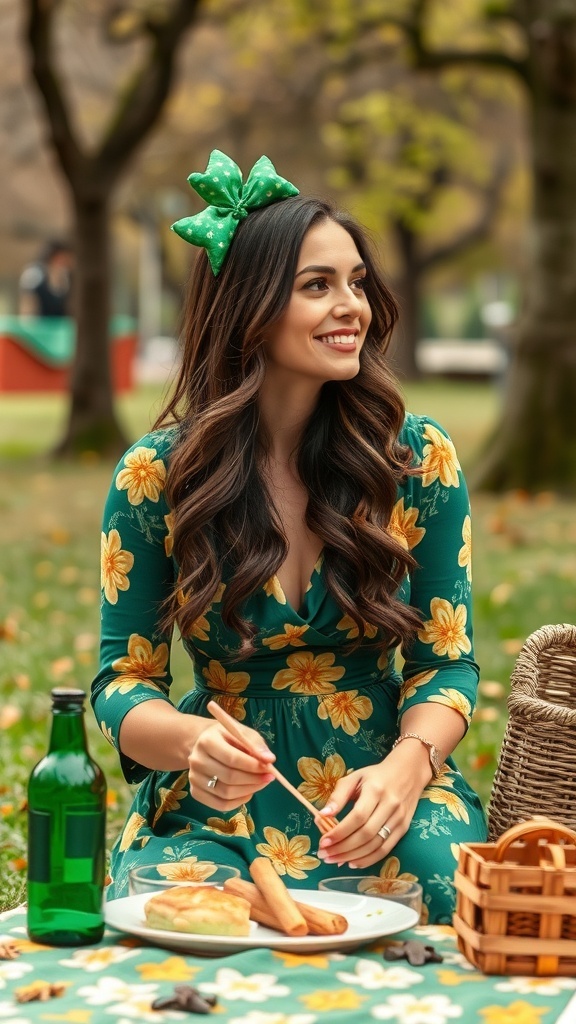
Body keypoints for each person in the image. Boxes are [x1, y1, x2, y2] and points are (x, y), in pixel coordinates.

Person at [92, 150, 487, 923]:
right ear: (249, 307)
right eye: (317, 286)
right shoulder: (155, 476)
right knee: (179, 915)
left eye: (356, 282)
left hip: (377, 790)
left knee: (442, 899)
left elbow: (449, 665)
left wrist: (409, 769)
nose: (353, 307)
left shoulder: (416, 460)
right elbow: (121, 683)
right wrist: (191, 746)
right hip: (223, 799)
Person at [19, 240, 74, 318]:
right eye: (61, 259)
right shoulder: (34, 275)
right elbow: (27, 308)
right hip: (40, 326)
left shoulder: (70, 279)